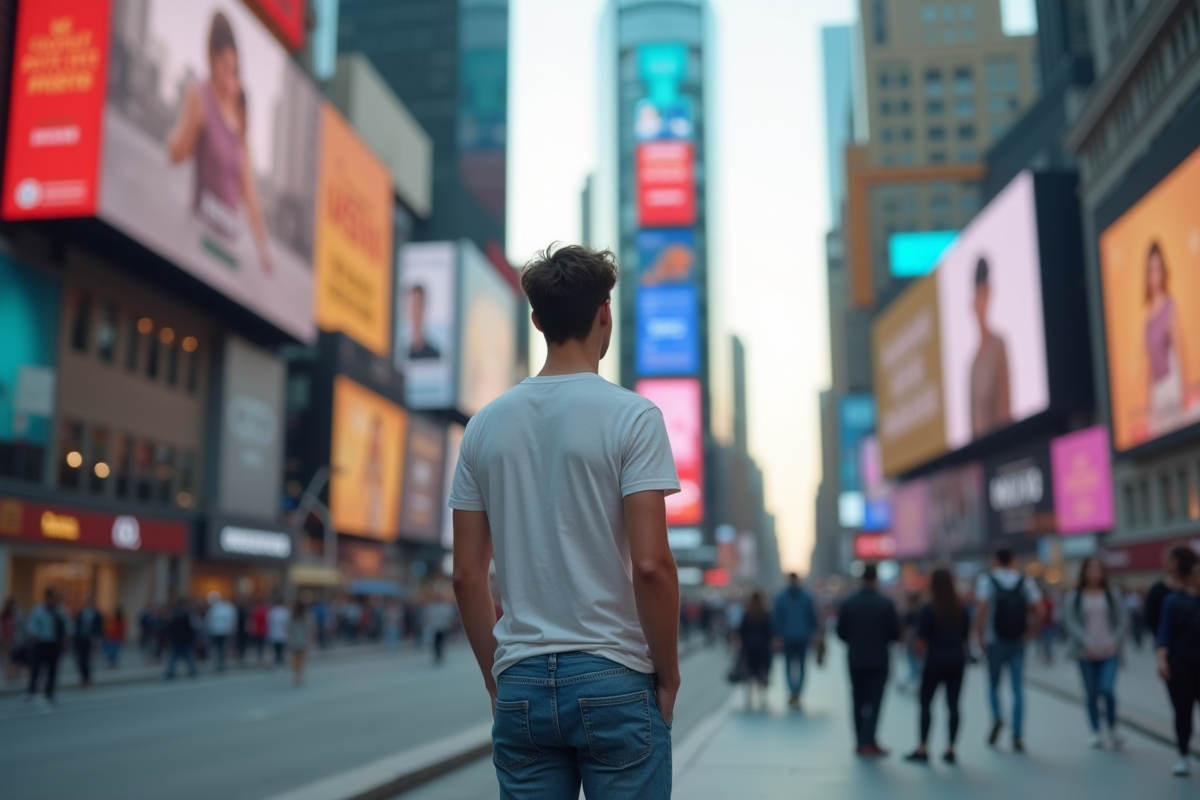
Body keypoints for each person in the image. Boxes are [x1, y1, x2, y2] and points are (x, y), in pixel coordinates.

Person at [451, 244, 680, 799]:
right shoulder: (633, 417)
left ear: (537, 321)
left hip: (522, 680)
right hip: (614, 676)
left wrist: (496, 675)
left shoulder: (484, 427)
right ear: (605, 314)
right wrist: (668, 676)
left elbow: (465, 576)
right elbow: (650, 566)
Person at [167, 11, 272, 273]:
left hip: (228, 243)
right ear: (212, 60)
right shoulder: (199, 96)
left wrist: (263, 251)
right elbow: (176, 155)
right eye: (224, 67)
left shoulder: (239, 123)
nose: (229, 78)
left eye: (234, 70)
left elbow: (248, 193)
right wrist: (193, 121)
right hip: (199, 231)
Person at [974, 548, 1044, 752]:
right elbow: (1040, 611)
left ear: (995, 559)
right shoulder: (1025, 581)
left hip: (994, 640)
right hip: (1017, 641)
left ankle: (997, 716)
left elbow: (981, 610)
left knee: (993, 684)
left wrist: (979, 636)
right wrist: (1029, 633)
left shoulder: (987, 580)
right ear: (1013, 559)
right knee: (1017, 688)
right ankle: (1017, 734)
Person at [905, 567, 970, 765]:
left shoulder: (928, 608)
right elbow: (966, 636)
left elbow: (920, 641)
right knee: (953, 705)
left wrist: (916, 655)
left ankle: (923, 747)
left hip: (934, 660)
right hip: (957, 660)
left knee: (926, 704)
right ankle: (951, 748)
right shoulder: (961, 607)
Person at [837, 564, 902, 757]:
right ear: (875, 579)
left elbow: (841, 632)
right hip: (879, 659)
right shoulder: (886, 603)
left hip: (855, 658)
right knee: (875, 701)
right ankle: (870, 740)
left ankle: (860, 741)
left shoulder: (848, 603)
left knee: (857, 699)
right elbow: (895, 634)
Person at [1063, 557, 1128, 748]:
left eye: (1098, 569)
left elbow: (1122, 620)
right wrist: (1085, 641)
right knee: (1091, 692)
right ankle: (1095, 730)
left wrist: (1114, 640)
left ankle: (1112, 728)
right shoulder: (1075, 596)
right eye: (1090, 569)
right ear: (1084, 572)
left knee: (1107, 689)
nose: (1094, 573)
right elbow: (1070, 621)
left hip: (1109, 650)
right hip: (1086, 652)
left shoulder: (1111, 594)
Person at [1156, 546, 1200, 777]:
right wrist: (1162, 659)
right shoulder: (1174, 601)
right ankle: (1183, 754)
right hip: (1180, 664)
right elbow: (1164, 632)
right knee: (1183, 711)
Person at [1142, 242, 1193, 438]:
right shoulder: (1146, 320)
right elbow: (1148, 364)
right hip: (1157, 394)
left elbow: (1181, 349)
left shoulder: (1170, 306)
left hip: (1173, 388)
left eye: (1158, 269)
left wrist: (1185, 392)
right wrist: (1148, 408)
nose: (1155, 276)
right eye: (1151, 270)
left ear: (1163, 271)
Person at [968, 257, 1013, 439]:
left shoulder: (998, 345)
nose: (981, 305)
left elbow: (1005, 409)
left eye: (984, 295)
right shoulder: (973, 364)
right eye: (978, 297)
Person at [771, 573, 820, 708]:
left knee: (789, 667)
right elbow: (813, 618)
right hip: (802, 636)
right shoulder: (807, 597)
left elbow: (776, 619)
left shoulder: (781, 598)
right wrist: (815, 634)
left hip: (788, 637)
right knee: (801, 667)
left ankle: (793, 692)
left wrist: (777, 635)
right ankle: (797, 692)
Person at [24, 588, 68, 705]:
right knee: (36, 669)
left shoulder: (61, 611)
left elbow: (68, 626)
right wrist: (34, 634)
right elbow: (31, 625)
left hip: (54, 644)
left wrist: (64, 640)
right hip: (41, 643)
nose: (56, 599)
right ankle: (31, 692)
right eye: (54, 596)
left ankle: (49, 692)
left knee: (53, 670)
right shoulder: (39, 610)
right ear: (48, 598)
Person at [737, 591, 774, 711]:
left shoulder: (747, 614)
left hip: (749, 647)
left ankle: (749, 698)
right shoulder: (765, 613)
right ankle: (762, 698)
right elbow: (769, 632)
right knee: (762, 673)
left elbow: (741, 631)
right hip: (763, 648)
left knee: (749, 674)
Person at [164, 598, 199, 680]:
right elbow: (190, 628)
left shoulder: (174, 614)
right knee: (186, 657)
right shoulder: (187, 614)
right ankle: (192, 671)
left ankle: (170, 673)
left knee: (175, 657)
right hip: (184, 639)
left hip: (177, 639)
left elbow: (170, 627)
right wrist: (192, 638)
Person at [73, 596, 103, 688]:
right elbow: (77, 625)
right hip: (81, 639)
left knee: (89, 660)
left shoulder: (96, 614)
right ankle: (83, 678)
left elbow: (98, 628)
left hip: (91, 640)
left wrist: (96, 639)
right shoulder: (81, 613)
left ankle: (88, 679)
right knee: (81, 660)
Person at [406, 285, 441, 359]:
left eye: (418, 305)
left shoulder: (435, 354)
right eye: (413, 305)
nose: (415, 311)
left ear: (424, 308)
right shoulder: (400, 353)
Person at [205, 592, 236, 672]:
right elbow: (209, 621)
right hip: (218, 631)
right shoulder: (216, 609)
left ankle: (220, 663)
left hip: (220, 631)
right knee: (220, 648)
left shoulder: (223, 608)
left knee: (220, 648)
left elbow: (230, 619)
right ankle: (220, 663)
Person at [900, 592, 923, 693]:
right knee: (915, 663)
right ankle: (913, 681)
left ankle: (913, 682)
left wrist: (902, 641)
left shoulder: (910, 613)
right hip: (918, 641)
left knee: (913, 663)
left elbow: (905, 629)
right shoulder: (921, 612)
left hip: (912, 642)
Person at [288, 600, 314, 687]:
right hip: (303, 640)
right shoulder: (307, 617)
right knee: (301, 659)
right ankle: (300, 675)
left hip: (293, 640)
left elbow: (289, 628)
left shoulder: (292, 616)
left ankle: (295, 675)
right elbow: (310, 630)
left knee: (294, 658)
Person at [2, 598, 25, 682]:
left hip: (15, 639)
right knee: (6, 657)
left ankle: (14, 673)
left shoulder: (16, 615)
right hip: (6, 638)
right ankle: (8, 673)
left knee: (14, 657)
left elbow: (21, 625)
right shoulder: (5, 615)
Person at [267, 597, 291, 670]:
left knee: (276, 650)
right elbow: (288, 624)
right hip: (282, 634)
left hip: (275, 634)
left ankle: (277, 664)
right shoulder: (285, 612)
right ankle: (279, 663)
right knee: (281, 650)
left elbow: (269, 623)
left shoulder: (272, 611)